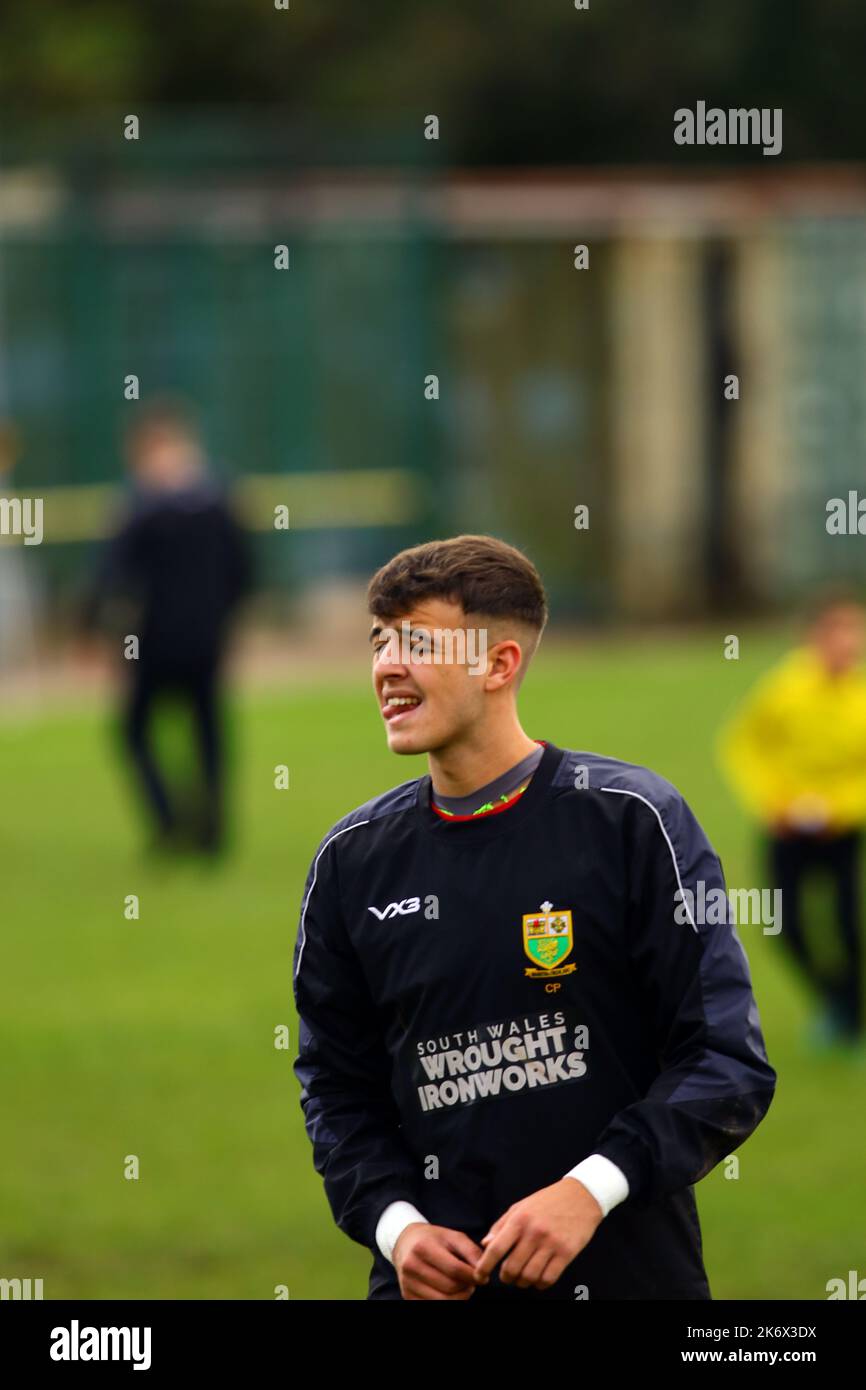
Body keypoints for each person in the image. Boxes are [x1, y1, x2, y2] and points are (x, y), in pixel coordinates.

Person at [292, 535, 776, 1301]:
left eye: (416, 642)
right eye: (378, 641)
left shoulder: (630, 821)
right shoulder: (353, 861)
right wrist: (397, 1227)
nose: (385, 665)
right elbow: (335, 1086)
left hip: (628, 1277)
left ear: (499, 664)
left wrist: (589, 1190)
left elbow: (724, 1061)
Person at [83, 398, 251, 852]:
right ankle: (211, 829)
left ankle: (169, 821)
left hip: (154, 639)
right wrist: (228, 619)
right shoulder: (219, 498)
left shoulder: (141, 506)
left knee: (137, 730)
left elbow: (112, 575)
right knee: (207, 730)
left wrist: (96, 628)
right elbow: (243, 570)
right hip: (207, 637)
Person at [718, 588, 866, 1045]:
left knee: (847, 926)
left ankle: (851, 1016)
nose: (850, 641)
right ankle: (835, 1001)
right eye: (839, 630)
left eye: (856, 630)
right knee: (783, 925)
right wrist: (773, 801)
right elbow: (743, 745)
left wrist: (838, 809)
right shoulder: (785, 689)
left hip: (842, 831)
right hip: (786, 827)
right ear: (815, 636)